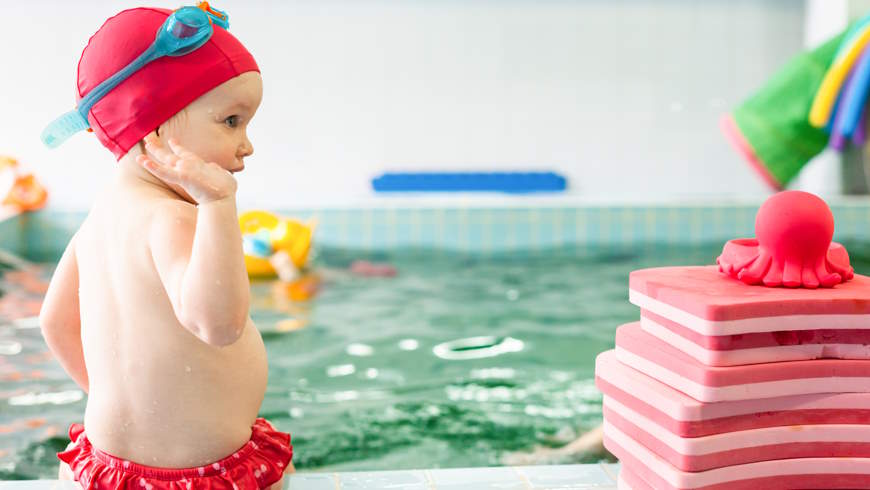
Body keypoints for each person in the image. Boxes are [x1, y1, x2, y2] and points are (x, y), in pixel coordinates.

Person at [38, 4, 293, 488]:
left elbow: (55, 322)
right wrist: (218, 202)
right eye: (232, 121)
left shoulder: (99, 219)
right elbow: (217, 325)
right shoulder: (176, 217)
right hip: (202, 474)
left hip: (105, 467)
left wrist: (118, 402)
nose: (247, 145)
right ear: (153, 127)